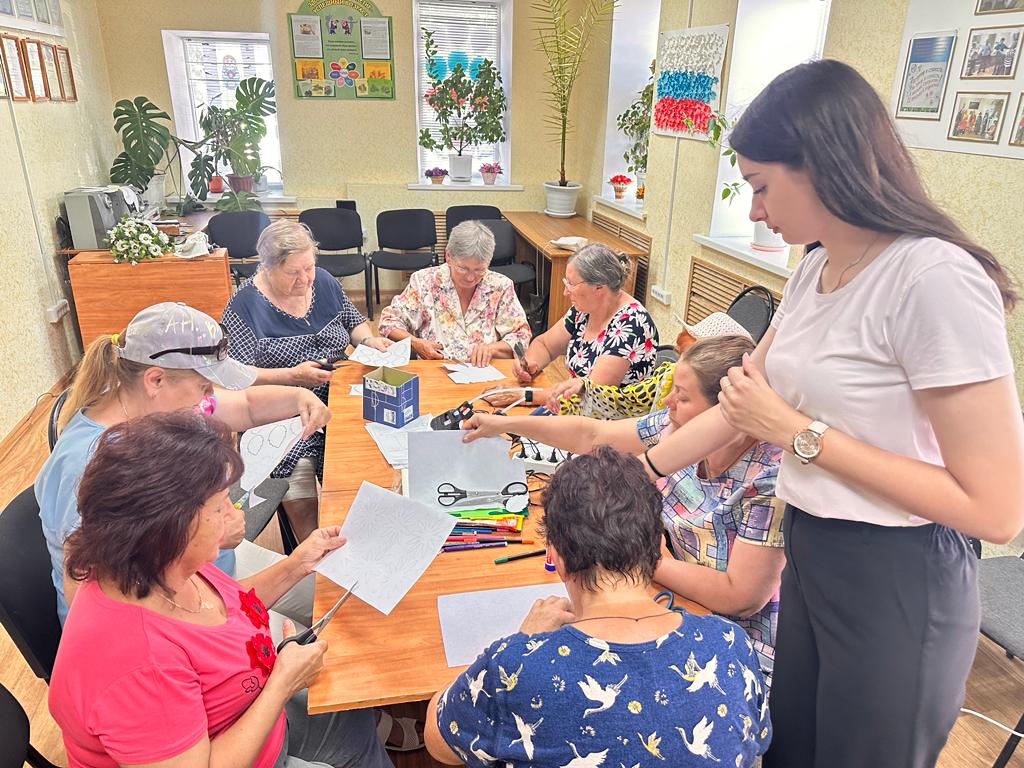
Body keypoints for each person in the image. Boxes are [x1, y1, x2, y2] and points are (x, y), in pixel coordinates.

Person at [643, 60, 1023, 767]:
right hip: (813, 548)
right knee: (791, 750)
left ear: (822, 164)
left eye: (760, 186)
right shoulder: (814, 268)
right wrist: (640, 470)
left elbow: (997, 511)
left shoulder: (933, 278)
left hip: (899, 576)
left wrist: (798, 434)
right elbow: (741, 406)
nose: (753, 209)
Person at [48, 411, 393, 768]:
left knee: (353, 717)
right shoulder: (138, 665)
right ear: (173, 528)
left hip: (248, 712)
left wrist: (297, 563)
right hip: (236, 747)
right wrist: (283, 684)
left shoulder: (153, 564)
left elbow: (222, 610)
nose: (234, 515)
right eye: (221, 505)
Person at [424, 446, 770, 767]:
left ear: (556, 558)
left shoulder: (516, 666)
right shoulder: (729, 644)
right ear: (656, 547)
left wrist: (525, 638)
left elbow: (439, 741)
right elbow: (756, 739)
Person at [462, 335, 784, 671]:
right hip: (656, 596)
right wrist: (504, 423)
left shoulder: (769, 477)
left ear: (727, 411)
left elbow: (741, 597)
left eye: (683, 397)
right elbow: (593, 435)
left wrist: (649, 560)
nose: (669, 401)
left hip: (726, 642)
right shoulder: (675, 429)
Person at [36, 302, 329, 628]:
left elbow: (245, 404)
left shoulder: (153, 404)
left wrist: (299, 399)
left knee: (330, 594)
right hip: (157, 623)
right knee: (321, 645)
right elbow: (101, 591)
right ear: (155, 380)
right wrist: (211, 536)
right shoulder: (88, 464)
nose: (208, 399)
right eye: (204, 387)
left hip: (211, 573)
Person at [221, 220, 392, 541]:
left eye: (309, 268)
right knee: (303, 501)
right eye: (293, 273)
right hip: (282, 414)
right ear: (268, 267)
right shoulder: (244, 306)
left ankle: (359, 534)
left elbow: (353, 321)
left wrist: (368, 342)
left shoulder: (324, 281)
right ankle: (313, 552)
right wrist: (292, 376)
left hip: (340, 395)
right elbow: (234, 378)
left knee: (365, 465)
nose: (305, 280)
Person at [491, 243, 658, 411]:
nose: (565, 292)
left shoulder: (632, 325)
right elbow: (546, 345)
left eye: (571, 284)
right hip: (575, 411)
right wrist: (530, 364)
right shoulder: (584, 310)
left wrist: (525, 395)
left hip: (608, 423)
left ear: (599, 288)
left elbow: (591, 393)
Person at [377, 220, 531, 366]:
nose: (471, 278)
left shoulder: (500, 286)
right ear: (448, 256)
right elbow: (389, 322)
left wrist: (492, 349)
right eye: (463, 268)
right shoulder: (424, 281)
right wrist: (416, 344)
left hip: (485, 371)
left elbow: (521, 335)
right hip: (435, 373)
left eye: (479, 270)